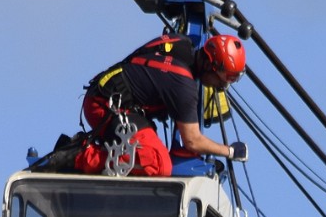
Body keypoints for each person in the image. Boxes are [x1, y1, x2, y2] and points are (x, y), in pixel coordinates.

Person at [75, 33, 249, 176]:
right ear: (209, 65)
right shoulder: (183, 85)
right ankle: (80, 157)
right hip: (104, 106)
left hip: (112, 99)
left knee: (153, 154)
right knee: (159, 164)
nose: (223, 86)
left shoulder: (183, 44)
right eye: (225, 78)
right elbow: (192, 141)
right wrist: (230, 151)